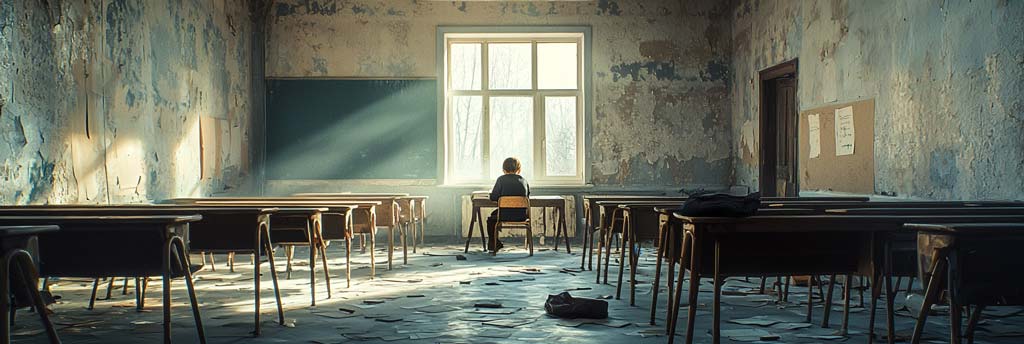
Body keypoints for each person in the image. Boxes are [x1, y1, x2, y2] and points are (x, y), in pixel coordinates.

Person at [487, 157, 530, 252]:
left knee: (491, 219)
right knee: (494, 215)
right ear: (518, 169)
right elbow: (527, 197)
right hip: (521, 216)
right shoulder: (524, 181)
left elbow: (494, 197)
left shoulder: (501, 180)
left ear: (503, 169)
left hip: (504, 215)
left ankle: (493, 244)